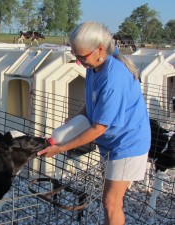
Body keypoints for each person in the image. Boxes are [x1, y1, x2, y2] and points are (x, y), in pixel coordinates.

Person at [37, 22, 151, 225]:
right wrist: (77, 116)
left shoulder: (113, 78)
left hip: (127, 142)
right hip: (112, 142)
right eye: (76, 56)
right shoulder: (95, 64)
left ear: (100, 49)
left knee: (110, 202)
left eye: (82, 56)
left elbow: (99, 127)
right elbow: (92, 98)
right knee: (111, 201)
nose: (79, 62)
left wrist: (62, 148)